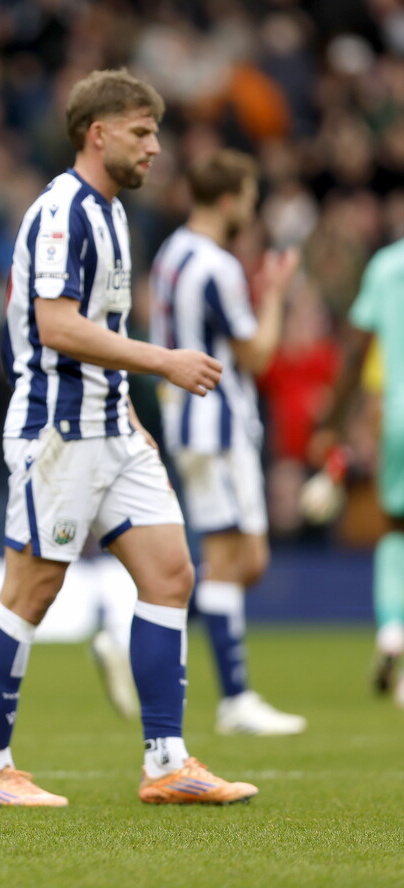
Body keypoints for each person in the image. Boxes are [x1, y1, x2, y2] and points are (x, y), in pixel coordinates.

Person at [0, 68, 258, 808]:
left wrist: (129, 415)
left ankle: (167, 762)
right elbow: (56, 326)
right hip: (58, 432)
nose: (155, 148)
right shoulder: (64, 212)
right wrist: (165, 363)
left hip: (110, 427)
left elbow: (102, 332)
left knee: (171, 574)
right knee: (32, 588)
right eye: (141, 132)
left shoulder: (114, 213)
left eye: (154, 132)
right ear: (99, 134)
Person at [147, 149, 305, 735]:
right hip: (218, 424)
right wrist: (276, 295)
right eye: (250, 195)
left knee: (241, 560)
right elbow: (257, 354)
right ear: (229, 198)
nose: (253, 206)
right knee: (237, 560)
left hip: (189, 423)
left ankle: (144, 637)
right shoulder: (217, 265)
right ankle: (232, 696)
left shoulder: (170, 254)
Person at [312, 235, 404, 707]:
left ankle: (392, 630)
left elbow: (355, 353)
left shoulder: (388, 266)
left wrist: (330, 423)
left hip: (398, 418)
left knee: (395, 530)